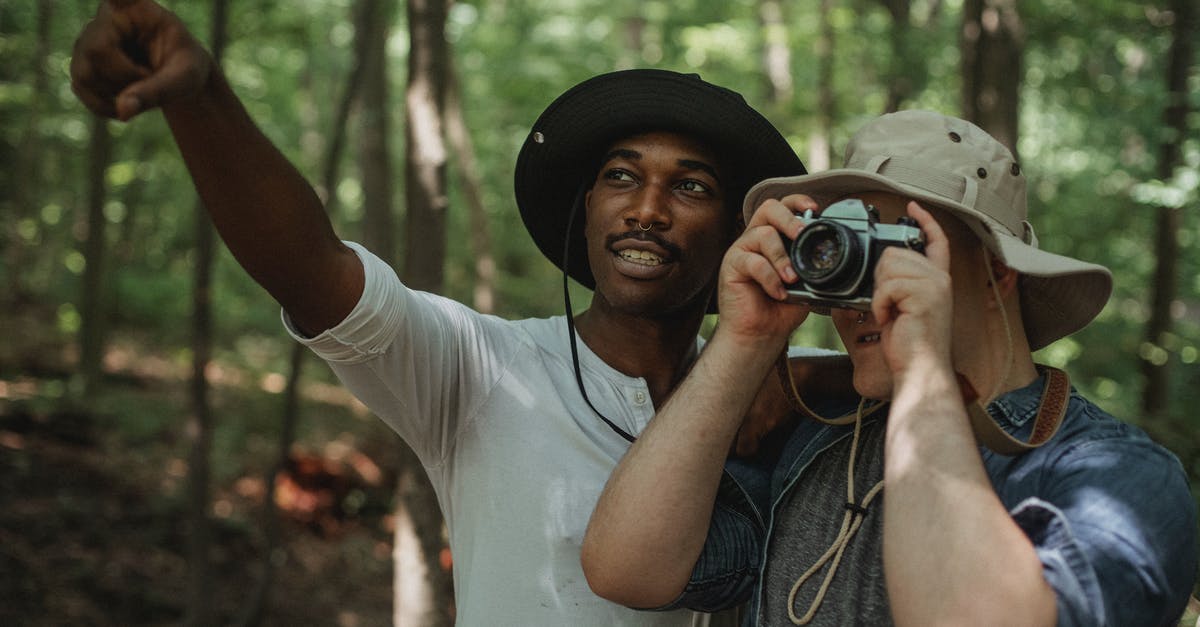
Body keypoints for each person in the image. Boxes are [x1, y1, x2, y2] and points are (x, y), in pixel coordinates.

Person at [69, 1, 855, 623]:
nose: (647, 208)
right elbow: (310, 270)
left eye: (691, 187)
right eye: (621, 177)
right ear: (583, 214)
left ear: (732, 234)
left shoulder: (768, 392)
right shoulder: (483, 370)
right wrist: (203, 97)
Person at [582, 110, 1198, 625]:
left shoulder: (1114, 475)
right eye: (846, 249)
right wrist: (746, 341)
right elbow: (626, 570)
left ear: (999, 273)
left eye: (899, 249)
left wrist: (926, 375)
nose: (865, 295)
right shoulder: (821, 440)